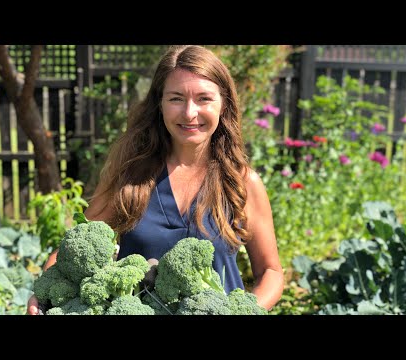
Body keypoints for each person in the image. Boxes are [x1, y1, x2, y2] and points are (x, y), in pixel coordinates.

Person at [27, 45, 284, 314]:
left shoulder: (241, 182)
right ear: (159, 104)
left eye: (204, 99)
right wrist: (41, 294)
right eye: (176, 98)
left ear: (224, 104)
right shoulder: (130, 177)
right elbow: (75, 249)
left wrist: (245, 310)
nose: (189, 113)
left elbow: (271, 271)